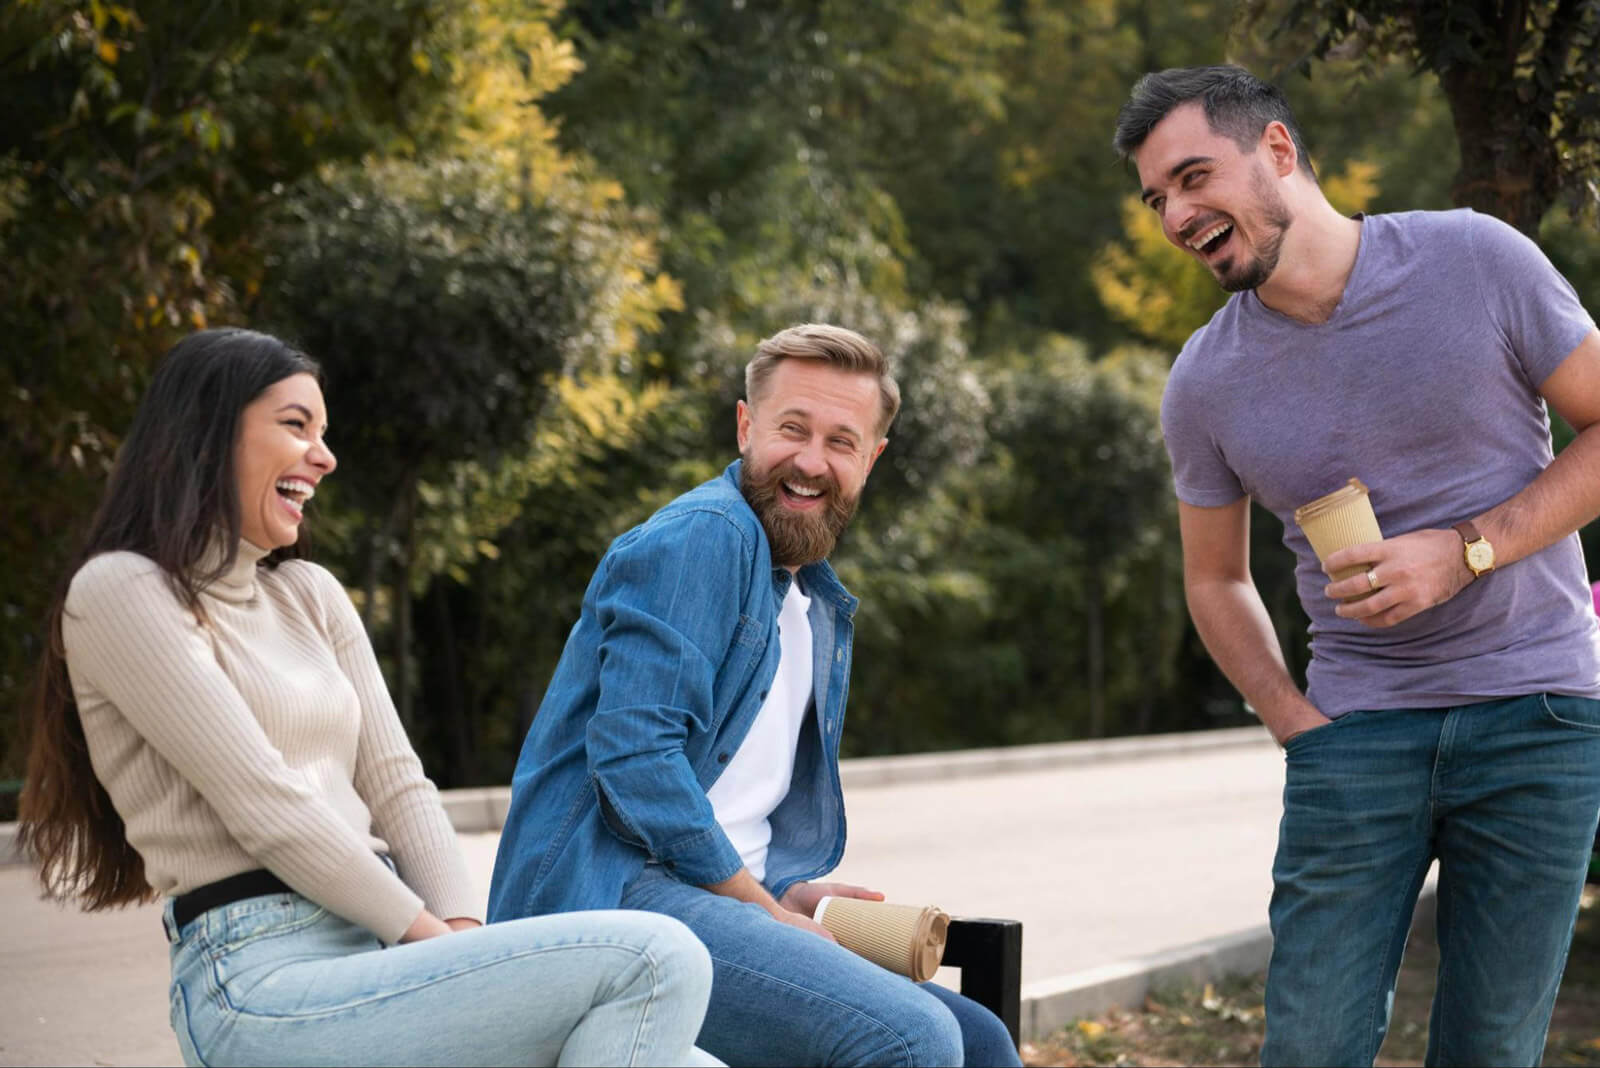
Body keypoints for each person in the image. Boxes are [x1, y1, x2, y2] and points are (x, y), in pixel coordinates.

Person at [18, 328, 715, 1068]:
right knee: (659, 956)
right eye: (296, 426)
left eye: (325, 432)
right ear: (208, 434)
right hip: (258, 980)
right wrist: (430, 941)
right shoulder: (123, 591)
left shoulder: (310, 595)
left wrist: (462, 939)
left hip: (382, 954)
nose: (325, 457)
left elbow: (398, 784)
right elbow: (268, 806)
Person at [1112, 65, 1600, 1066]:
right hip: (1356, 737)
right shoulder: (1203, 382)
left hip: (1539, 718)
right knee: (1308, 1050)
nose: (1176, 215)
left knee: (1488, 1053)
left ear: (1278, 152)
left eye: (1194, 177)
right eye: (1158, 197)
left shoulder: (1478, 260)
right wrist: (1294, 722)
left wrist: (1468, 552)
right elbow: (1214, 579)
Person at [487, 324, 1020, 1068]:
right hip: (608, 899)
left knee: (979, 1038)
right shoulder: (704, 538)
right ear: (746, 426)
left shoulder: (813, 596)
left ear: (872, 459)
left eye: (841, 441)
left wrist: (782, 891)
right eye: (791, 429)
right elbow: (636, 763)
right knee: (910, 1038)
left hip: (709, 898)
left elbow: (730, 795)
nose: (810, 462)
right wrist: (760, 909)